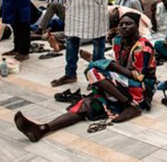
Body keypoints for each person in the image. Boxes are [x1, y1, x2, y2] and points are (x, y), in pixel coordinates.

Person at [15, 10, 156, 142]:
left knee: (93, 72)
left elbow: (138, 77)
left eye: (128, 24)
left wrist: (111, 66)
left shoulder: (143, 47)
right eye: (121, 24)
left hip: (140, 90)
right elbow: (119, 67)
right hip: (122, 86)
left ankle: (130, 105)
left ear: (137, 26)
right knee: (86, 105)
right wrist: (108, 70)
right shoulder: (118, 41)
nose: (124, 27)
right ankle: (43, 129)